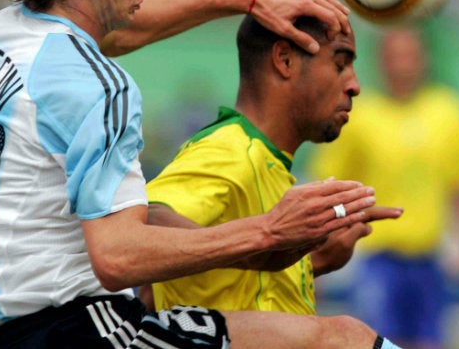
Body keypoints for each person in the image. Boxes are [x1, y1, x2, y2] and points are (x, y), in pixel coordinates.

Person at [0, 0, 405, 349]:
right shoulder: (100, 86)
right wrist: (269, 233)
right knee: (341, 341)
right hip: (81, 333)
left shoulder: (3, 34)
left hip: (7, 333)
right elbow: (119, 258)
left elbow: (117, 31)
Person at [143, 15, 403, 313]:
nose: (355, 85)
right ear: (285, 60)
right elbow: (150, 219)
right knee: (351, 337)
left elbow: (164, 290)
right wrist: (266, 236)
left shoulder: (270, 164)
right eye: (340, 64)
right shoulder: (232, 149)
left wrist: (309, 261)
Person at [308, 28, 459, 349]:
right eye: (395, 56)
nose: (403, 65)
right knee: (380, 341)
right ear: (381, 61)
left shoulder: (449, 112)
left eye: (410, 55)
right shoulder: (357, 114)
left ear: (424, 59)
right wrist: (317, 248)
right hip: (378, 257)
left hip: (430, 258)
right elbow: (327, 185)